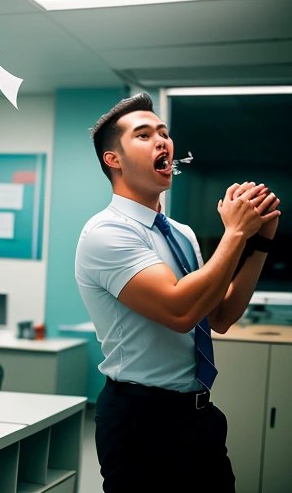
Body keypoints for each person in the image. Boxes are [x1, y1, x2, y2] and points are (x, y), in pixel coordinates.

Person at [75, 93, 281, 492]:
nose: (163, 141)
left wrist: (258, 243)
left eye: (164, 133)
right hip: (140, 421)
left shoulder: (181, 234)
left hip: (198, 416)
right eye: (144, 134)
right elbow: (180, 311)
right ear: (112, 159)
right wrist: (235, 233)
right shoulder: (106, 233)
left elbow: (219, 316)